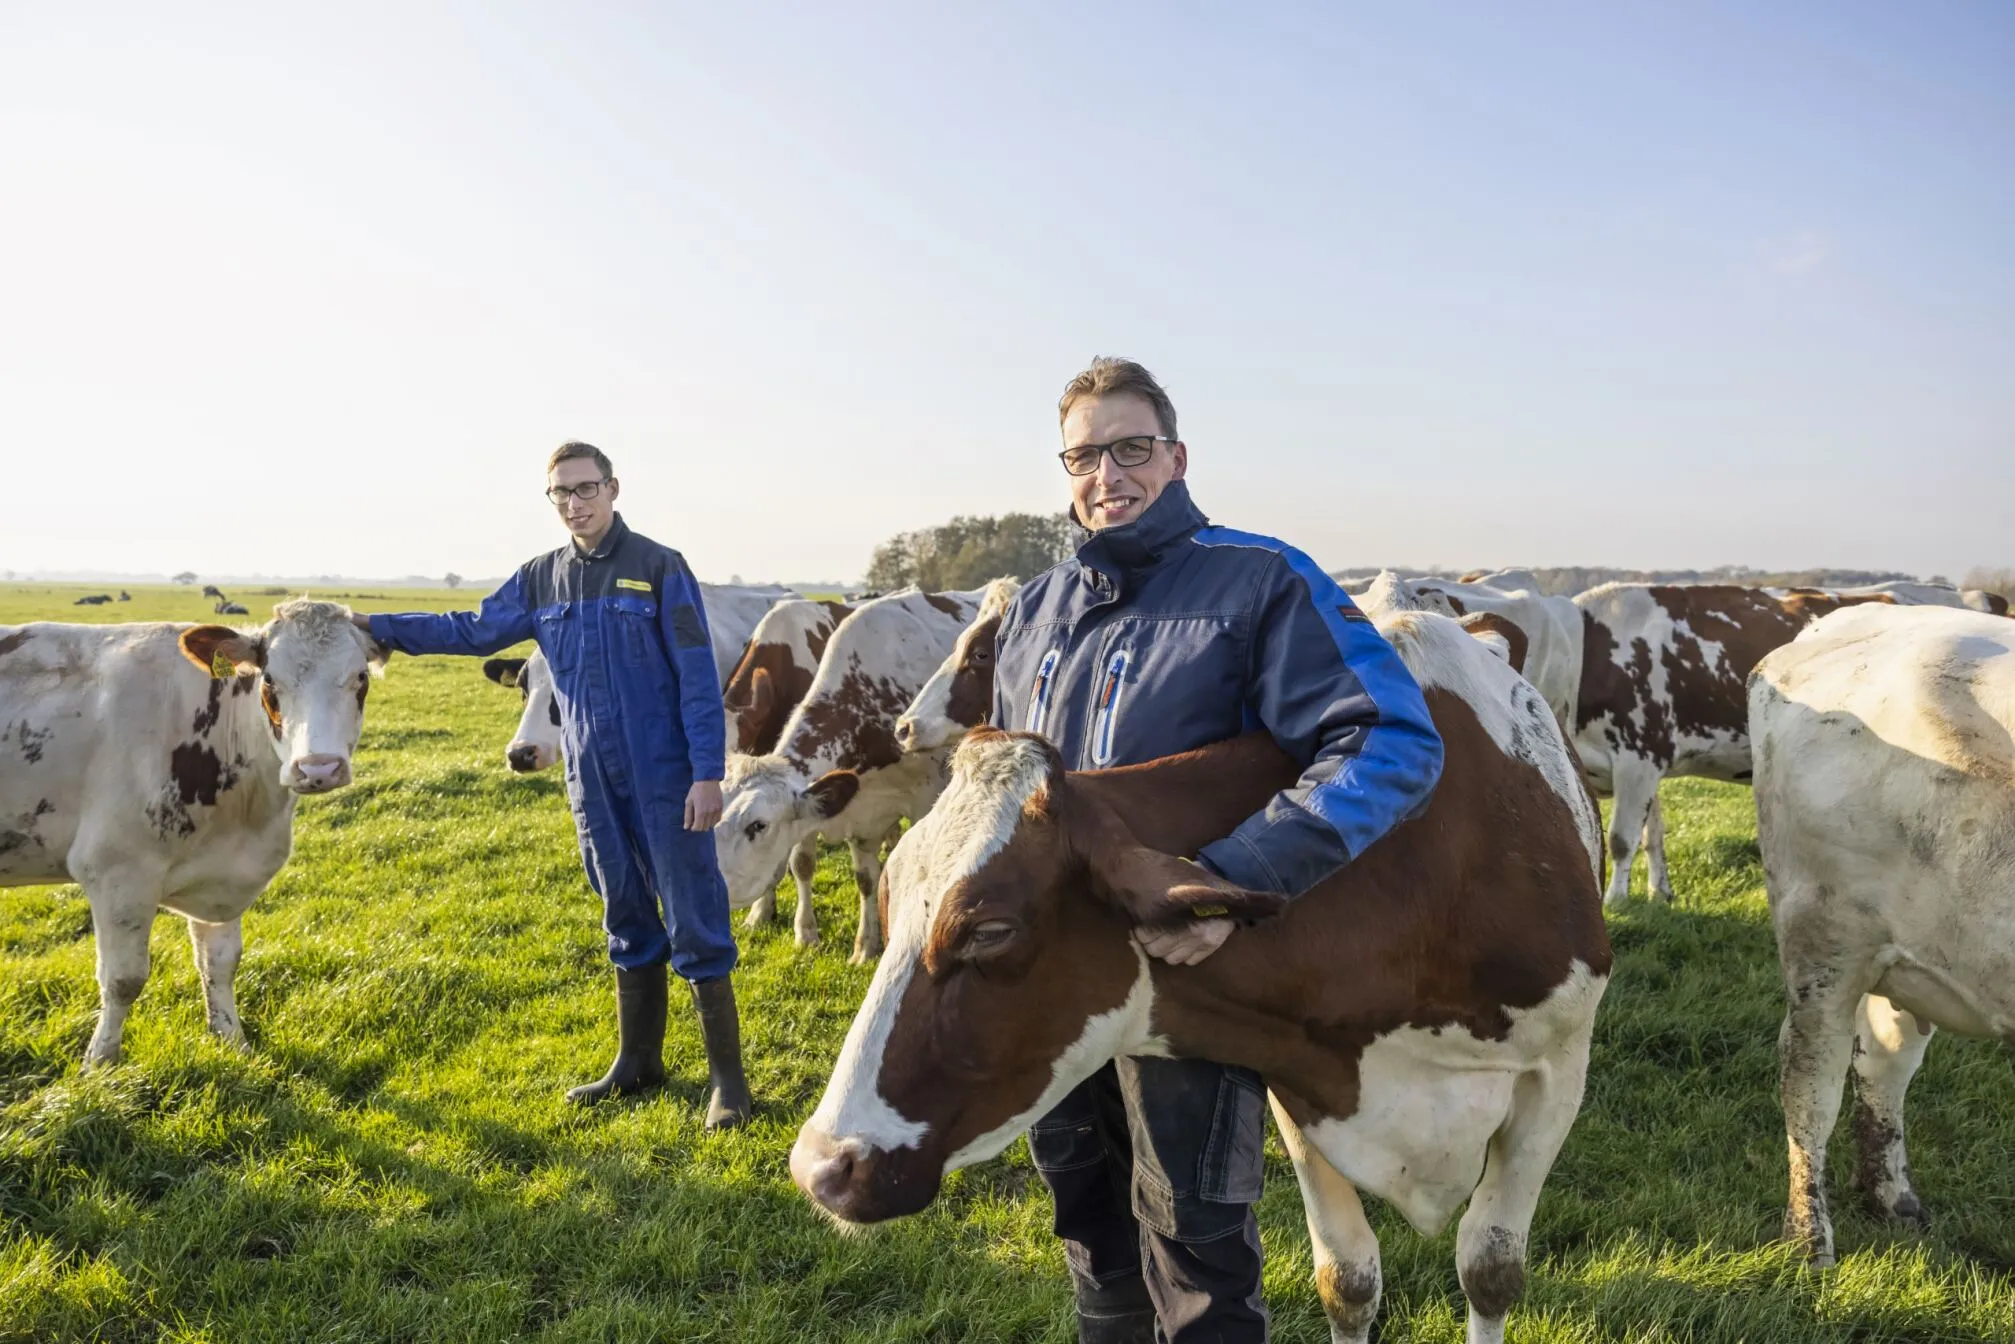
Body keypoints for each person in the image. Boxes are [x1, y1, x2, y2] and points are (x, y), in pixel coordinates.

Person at [990, 359, 1445, 1342]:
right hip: (1054, 976)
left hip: (1179, 972)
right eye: (1082, 457)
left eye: (1129, 449)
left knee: (1193, 1239)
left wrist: (1234, 879)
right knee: (1087, 1220)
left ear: (1175, 455)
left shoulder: (1258, 578)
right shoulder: (1032, 611)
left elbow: (1388, 739)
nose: (1105, 475)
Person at [356, 441, 751, 1126]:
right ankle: (638, 1064)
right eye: (560, 493)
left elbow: (695, 676)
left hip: (664, 772)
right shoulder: (541, 578)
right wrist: (378, 626)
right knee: (623, 910)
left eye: (585, 488)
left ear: (613, 488)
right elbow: (474, 629)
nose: (575, 503)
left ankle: (729, 1085)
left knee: (694, 917)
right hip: (589, 773)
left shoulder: (659, 567)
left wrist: (707, 775)